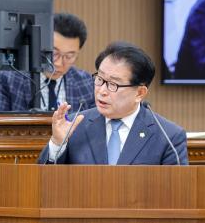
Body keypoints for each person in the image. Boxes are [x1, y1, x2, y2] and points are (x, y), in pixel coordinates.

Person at [38, 41, 188, 165]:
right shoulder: (74, 125)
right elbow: (44, 181)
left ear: (139, 93)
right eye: (100, 79)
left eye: (113, 84)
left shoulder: (168, 136)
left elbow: (177, 189)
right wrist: (57, 143)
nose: (102, 91)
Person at [0, 12, 95, 112]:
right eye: (54, 53)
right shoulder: (6, 78)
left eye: (69, 56)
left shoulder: (86, 83)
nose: (59, 63)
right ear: (38, 46)